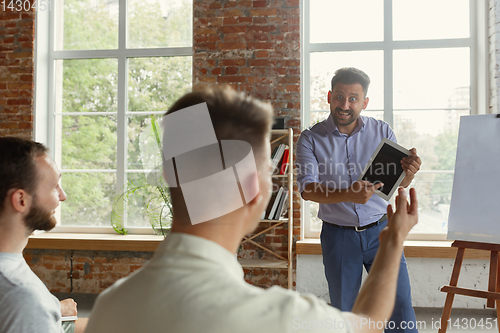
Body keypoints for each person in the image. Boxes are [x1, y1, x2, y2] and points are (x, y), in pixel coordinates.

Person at [86, 86, 419, 333]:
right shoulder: (283, 318)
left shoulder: (109, 307)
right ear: (253, 188)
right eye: (267, 172)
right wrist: (395, 240)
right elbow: (365, 325)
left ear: (169, 177)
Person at [296, 67, 422, 332]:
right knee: (346, 314)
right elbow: (307, 190)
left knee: (400, 309)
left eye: (353, 98)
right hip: (338, 238)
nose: (345, 105)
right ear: (329, 96)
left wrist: (408, 174)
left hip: (382, 232)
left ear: (365, 102)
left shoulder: (382, 131)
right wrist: (348, 194)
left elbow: (395, 184)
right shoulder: (310, 138)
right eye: (339, 96)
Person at [0, 136, 88, 333]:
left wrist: (53, 307)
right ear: (21, 200)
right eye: (54, 186)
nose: (62, 196)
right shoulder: (21, 295)